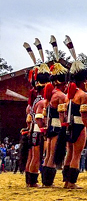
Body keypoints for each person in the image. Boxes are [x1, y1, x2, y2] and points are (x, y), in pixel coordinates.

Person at [61, 36, 87, 189]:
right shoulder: (83, 96)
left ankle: (66, 181)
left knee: (69, 153)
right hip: (79, 126)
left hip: (68, 126)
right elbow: (85, 115)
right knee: (76, 155)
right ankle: (72, 182)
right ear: (83, 81)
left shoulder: (69, 95)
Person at [42, 35, 69, 188]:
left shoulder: (50, 95)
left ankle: (46, 181)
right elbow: (61, 114)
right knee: (52, 154)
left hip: (51, 126)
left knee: (48, 155)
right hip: (57, 126)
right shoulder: (59, 95)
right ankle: (48, 182)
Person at [23, 39, 49, 187]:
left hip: (32, 129)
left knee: (32, 156)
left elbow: (28, 117)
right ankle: (32, 181)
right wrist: (44, 128)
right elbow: (39, 117)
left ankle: (29, 180)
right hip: (38, 130)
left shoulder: (32, 101)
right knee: (36, 157)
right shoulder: (41, 100)